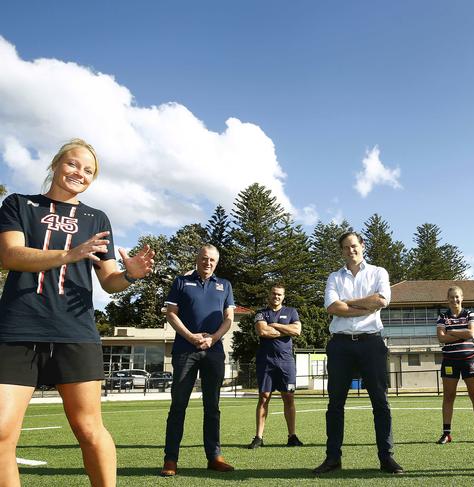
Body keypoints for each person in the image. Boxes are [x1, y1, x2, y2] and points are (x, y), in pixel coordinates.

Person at [0, 138, 155, 487]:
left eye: (88, 171)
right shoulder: (19, 205)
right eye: (72, 164)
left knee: (89, 429)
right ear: (56, 165)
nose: (79, 173)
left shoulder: (96, 218)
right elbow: (11, 255)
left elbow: (110, 281)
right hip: (16, 330)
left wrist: (131, 273)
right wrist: (69, 254)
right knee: (1, 433)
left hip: (75, 332)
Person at [312, 231, 403, 475]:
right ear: (341, 251)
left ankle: (386, 457)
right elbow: (332, 307)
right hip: (340, 345)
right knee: (335, 404)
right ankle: (333, 458)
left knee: (380, 402)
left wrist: (348, 304)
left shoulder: (378, 272)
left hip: (371, 343)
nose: (350, 250)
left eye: (354, 245)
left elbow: (381, 301)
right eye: (345, 247)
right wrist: (364, 306)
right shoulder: (334, 277)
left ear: (362, 246)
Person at [160, 244, 235, 477]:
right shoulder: (181, 282)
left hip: (213, 351)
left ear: (217, 262)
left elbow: (229, 318)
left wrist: (213, 339)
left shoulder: (225, 285)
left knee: (212, 407)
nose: (208, 263)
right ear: (197, 258)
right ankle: (170, 460)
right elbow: (171, 313)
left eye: (212, 260)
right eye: (204, 258)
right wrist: (191, 337)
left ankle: (214, 457)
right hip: (185, 350)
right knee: (178, 406)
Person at [247, 284, 304, 449]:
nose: (276, 296)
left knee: (289, 397)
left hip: (287, 363)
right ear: (269, 295)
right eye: (274, 294)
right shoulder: (261, 313)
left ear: (283, 297)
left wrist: (275, 325)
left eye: (279, 294)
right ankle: (258, 437)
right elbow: (263, 332)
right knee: (264, 397)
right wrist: (287, 330)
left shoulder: (292, 312)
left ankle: (292, 436)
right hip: (266, 362)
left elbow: (297, 331)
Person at [436, 286, 474, 445]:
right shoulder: (442, 316)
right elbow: (441, 338)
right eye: (452, 297)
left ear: (462, 298)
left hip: (469, 359)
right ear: (447, 299)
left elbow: (472, 334)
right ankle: (446, 434)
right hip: (449, 361)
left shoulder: (470, 314)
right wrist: (461, 333)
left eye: (457, 297)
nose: (455, 300)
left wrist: (451, 332)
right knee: (448, 396)